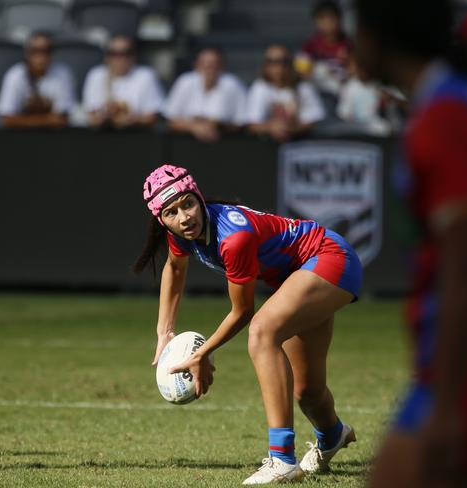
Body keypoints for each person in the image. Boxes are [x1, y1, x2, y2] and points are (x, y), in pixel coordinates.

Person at [135, 164, 362, 484]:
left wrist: (202, 353)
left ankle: (282, 459)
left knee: (262, 332)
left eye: (188, 203)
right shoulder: (184, 233)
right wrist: (164, 333)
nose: (184, 216)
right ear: (162, 222)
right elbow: (174, 269)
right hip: (299, 276)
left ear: (198, 197)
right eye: (171, 212)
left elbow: (242, 312)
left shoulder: (233, 237)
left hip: (330, 257)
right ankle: (332, 435)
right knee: (307, 392)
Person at [354, 0, 467, 486]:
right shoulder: (438, 103)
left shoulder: (444, 116)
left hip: (454, 381)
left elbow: (464, 272)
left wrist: (447, 407)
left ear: (380, 38)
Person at [162, 47, 246, 142]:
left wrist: (216, 126)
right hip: (184, 146)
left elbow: (241, 123)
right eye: (204, 64)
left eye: (213, 65)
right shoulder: (185, 81)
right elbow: (170, 120)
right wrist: (194, 127)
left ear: (222, 66)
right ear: (196, 65)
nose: (208, 68)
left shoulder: (233, 85)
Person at [245, 44, 325, 142]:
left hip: (301, 144)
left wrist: (291, 129)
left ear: (291, 64)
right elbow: (252, 124)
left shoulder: (303, 87)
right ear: (265, 65)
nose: (279, 66)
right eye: (272, 62)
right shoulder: (259, 87)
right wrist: (271, 127)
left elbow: (313, 121)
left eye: (283, 61)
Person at [0, 31, 75, 128]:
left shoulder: (62, 74)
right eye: (35, 51)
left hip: (54, 138)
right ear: (27, 53)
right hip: (19, 137)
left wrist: (23, 120)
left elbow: (62, 118)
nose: (41, 57)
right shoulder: (15, 75)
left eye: (47, 51)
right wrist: (45, 120)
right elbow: (7, 119)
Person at [82, 34, 163, 129]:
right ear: (107, 57)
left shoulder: (146, 75)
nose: (121, 59)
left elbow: (153, 117)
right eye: (114, 53)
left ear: (134, 56)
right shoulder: (96, 75)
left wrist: (132, 119)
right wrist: (109, 116)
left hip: (137, 136)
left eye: (126, 53)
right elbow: (92, 118)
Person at [297, 0, 352, 95]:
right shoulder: (311, 45)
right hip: (319, 89)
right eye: (322, 19)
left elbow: (356, 68)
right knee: (319, 70)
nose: (327, 23)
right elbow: (301, 69)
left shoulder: (347, 43)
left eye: (331, 19)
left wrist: (348, 61)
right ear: (315, 22)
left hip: (344, 85)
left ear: (339, 19)